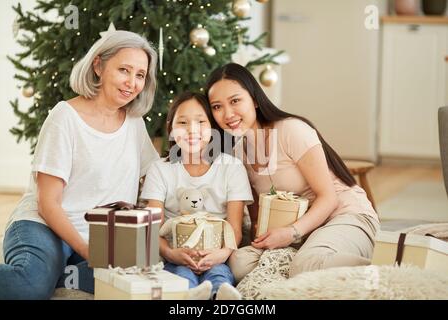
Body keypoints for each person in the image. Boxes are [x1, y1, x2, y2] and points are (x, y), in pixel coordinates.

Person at [0, 30, 160, 299]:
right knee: (29, 286)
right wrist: (87, 250)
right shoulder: (65, 117)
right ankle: (44, 271)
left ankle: (55, 273)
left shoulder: (134, 124)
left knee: (130, 286)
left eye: (140, 75)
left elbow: (154, 178)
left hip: (101, 237)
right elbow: (48, 203)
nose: (132, 82)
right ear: (98, 66)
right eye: (124, 70)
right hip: (45, 225)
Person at [205, 63, 380, 283]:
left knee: (306, 264)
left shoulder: (291, 130)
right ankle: (307, 263)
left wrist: (292, 233)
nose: (227, 114)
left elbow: (329, 198)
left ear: (255, 99)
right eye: (217, 106)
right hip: (300, 232)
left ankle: (388, 272)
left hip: (343, 216)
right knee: (239, 263)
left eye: (235, 101)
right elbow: (259, 218)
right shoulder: (238, 153)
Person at [140, 92, 253, 300]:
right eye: (182, 122)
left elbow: (235, 229)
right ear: (171, 129)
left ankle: (220, 295)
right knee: (181, 275)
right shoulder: (160, 169)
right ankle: (191, 297)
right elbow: (154, 227)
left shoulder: (232, 167)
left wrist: (221, 253)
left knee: (219, 273)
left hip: (217, 254)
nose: (192, 130)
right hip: (175, 254)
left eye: (201, 122)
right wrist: (171, 253)